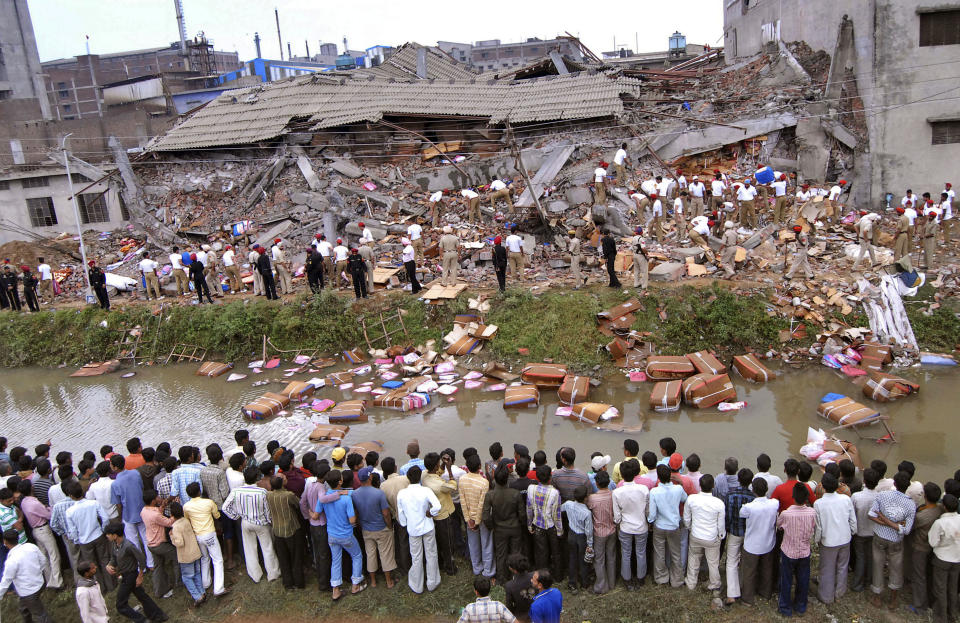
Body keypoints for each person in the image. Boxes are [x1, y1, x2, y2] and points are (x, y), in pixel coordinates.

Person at [869, 471, 916, 610]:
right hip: (896, 540)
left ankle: (877, 597)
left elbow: (871, 515)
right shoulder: (911, 505)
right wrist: (895, 525)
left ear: (894, 483)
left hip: (879, 537)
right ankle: (893, 600)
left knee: (878, 565)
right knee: (896, 568)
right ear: (907, 486)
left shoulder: (882, 495)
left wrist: (884, 519)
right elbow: (906, 530)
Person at [103, 522, 168, 622]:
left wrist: (140, 576)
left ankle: (141, 620)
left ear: (115, 535)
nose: (107, 536)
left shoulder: (128, 546)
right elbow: (114, 557)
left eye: (108, 534)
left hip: (130, 576)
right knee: (142, 596)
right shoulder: (115, 545)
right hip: (125, 575)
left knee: (120, 604)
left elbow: (141, 559)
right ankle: (158, 615)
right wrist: (109, 565)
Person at [315, 470, 364, 600]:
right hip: (346, 534)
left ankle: (336, 589)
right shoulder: (346, 499)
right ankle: (355, 584)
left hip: (332, 535)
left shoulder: (324, 498)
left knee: (336, 560)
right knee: (357, 555)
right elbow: (352, 520)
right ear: (340, 482)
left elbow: (316, 514)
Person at [813, 472, 857, 604]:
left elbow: (818, 527)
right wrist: (853, 532)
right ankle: (839, 593)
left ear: (823, 487)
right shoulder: (846, 499)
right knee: (842, 566)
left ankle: (826, 597)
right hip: (845, 539)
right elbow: (852, 520)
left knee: (827, 568)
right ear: (837, 485)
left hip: (828, 542)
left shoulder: (818, 503)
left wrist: (817, 540)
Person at [396, 466, 441, 594]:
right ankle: (432, 583)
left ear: (408, 478)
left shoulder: (402, 494)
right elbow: (437, 505)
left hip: (413, 529)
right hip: (428, 527)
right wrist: (431, 512)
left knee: (416, 557)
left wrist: (407, 523)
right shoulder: (426, 491)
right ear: (420, 477)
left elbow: (401, 515)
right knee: (431, 554)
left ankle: (417, 586)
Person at [65, 482, 116, 593]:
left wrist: (77, 540)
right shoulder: (93, 503)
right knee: (105, 560)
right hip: (98, 535)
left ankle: (100, 587)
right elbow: (105, 518)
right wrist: (103, 530)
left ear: (71, 496)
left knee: (92, 565)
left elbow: (72, 531)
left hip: (84, 541)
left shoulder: (70, 511)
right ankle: (111, 584)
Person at [352, 466, 396, 588]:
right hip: (381, 528)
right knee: (385, 554)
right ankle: (388, 581)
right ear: (370, 477)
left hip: (366, 529)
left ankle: (373, 581)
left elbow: (356, 512)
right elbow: (386, 513)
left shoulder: (355, 494)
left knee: (370, 554)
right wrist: (389, 526)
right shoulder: (379, 493)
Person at [777, 483, 817, 617]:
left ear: (793, 496)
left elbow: (779, 526)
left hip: (788, 551)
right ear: (806, 498)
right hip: (804, 551)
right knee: (803, 579)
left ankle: (785, 608)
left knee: (786, 579)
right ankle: (800, 606)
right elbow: (813, 527)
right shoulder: (812, 513)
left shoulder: (786, 514)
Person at [182, 482, 227, 597]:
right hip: (210, 534)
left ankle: (205, 583)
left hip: (197, 536)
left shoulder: (186, 506)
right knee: (217, 560)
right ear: (199, 491)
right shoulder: (208, 502)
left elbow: (187, 519)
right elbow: (217, 516)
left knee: (204, 558)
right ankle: (219, 588)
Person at [17, 479, 63, 589]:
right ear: (31, 488)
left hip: (36, 531)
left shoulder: (24, 502)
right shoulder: (34, 503)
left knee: (44, 557)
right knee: (54, 555)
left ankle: (49, 580)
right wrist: (50, 508)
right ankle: (57, 582)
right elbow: (48, 515)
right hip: (43, 530)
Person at [683, 473, 725, 594]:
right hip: (712, 538)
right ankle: (715, 584)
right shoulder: (719, 503)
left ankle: (691, 582)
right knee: (713, 562)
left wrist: (690, 528)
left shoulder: (691, 499)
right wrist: (720, 535)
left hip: (696, 535)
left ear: (700, 486)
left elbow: (686, 518)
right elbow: (720, 524)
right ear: (713, 486)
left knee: (694, 558)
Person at [0, 528, 52, 622]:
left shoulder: (11, 561)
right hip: (40, 583)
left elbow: (6, 581)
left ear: (5, 542)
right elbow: (43, 561)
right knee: (23, 608)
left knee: (41, 615)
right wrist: (37, 573)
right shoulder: (31, 546)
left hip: (29, 592)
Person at [483, 466, 524, 584]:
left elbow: (485, 516)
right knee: (516, 553)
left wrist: (492, 527)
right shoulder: (515, 494)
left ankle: (502, 579)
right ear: (507, 478)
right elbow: (522, 514)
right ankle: (517, 578)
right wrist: (521, 524)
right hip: (515, 527)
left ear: (495, 478)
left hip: (499, 529)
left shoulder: (490, 495)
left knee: (501, 555)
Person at [612, 459, 648, 590]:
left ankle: (627, 580)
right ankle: (640, 578)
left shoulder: (617, 492)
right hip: (641, 526)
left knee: (626, 553)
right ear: (634, 473)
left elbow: (616, 516)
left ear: (621, 474)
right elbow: (647, 510)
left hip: (625, 527)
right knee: (641, 552)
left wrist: (619, 523)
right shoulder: (643, 489)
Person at [263, 475, 304, 590]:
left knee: (283, 558)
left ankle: (288, 583)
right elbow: (298, 504)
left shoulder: (269, 495)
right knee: (296, 557)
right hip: (291, 529)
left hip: (277, 530)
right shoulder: (288, 495)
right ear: (282, 484)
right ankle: (299, 582)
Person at [722, 468, 755, 605]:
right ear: (750, 481)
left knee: (731, 561)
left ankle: (732, 594)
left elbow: (727, 516)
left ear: (739, 480)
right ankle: (743, 587)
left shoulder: (730, 495)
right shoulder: (754, 498)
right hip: (748, 534)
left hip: (734, 532)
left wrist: (728, 529)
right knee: (745, 562)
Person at [422, 453, 458, 576]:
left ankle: (441, 563)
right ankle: (450, 568)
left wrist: (442, 465)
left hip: (435, 515)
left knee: (440, 541)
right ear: (436, 464)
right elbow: (453, 487)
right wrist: (449, 470)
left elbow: (436, 473)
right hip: (444, 515)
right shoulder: (440, 485)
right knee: (448, 543)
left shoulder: (424, 475)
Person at [458, 454, 493, 579]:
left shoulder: (462, 480)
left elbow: (463, 501)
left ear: (467, 467)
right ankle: (488, 570)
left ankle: (477, 568)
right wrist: (477, 522)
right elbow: (481, 505)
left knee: (473, 544)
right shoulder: (484, 483)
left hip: (470, 519)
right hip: (481, 519)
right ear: (479, 467)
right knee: (486, 543)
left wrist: (468, 520)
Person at [910, 482, 943, 613]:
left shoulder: (921, 516)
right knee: (930, 574)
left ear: (925, 496)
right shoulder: (940, 508)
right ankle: (930, 601)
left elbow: (910, 529)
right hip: (934, 548)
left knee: (919, 576)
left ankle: (919, 606)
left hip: (920, 548)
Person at [526, 465, 563, 580]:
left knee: (541, 553)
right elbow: (556, 514)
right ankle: (558, 576)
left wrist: (529, 524)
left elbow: (529, 508)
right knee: (556, 552)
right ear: (550, 478)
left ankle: (542, 577)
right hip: (551, 527)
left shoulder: (531, 488)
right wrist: (560, 530)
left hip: (537, 525)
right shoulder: (554, 493)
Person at [140, 489, 177, 599]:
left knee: (158, 567)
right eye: (158, 497)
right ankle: (179, 582)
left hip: (151, 544)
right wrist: (175, 514)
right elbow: (169, 522)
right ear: (153, 501)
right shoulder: (155, 515)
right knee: (177, 557)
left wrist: (162, 507)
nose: (160, 498)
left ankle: (159, 590)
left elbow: (157, 514)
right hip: (160, 544)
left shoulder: (144, 511)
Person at [929, 493, 960, 622]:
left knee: (940, 589)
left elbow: (933, 542)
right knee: (953, 588)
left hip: (942, 559)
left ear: (945, 507)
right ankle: (952, 614)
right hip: (957, 559)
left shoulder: (940, 523)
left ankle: (941, 617)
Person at [168, 501, 206, 607]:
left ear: (172, 515)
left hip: (186, 556)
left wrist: (171, 536)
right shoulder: (186, 520)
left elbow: (179, 543)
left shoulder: (175, 527)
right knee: (197, 573)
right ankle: (202, 592)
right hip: (195, 552)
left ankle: (197, 597)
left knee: (187, 577)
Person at [560, 485, 592, 591]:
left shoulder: (569, 504)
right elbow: (589, 531)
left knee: (572, 558)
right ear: (585, 498)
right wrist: (590, 544)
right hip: (582, 537)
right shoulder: (587, 513)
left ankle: (572, 582)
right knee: (583, 560)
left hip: (571, 533)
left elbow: (559, 509)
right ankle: (584, 582)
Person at [632, 227, 648, 291]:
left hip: (634, 254)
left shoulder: (633, 238)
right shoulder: (641, 239)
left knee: (636, 270)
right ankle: (644, 285)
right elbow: (643, 248)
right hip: (640, 255)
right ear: (641, 232)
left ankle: (636, 283)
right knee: (644, 270)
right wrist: (647, 253)